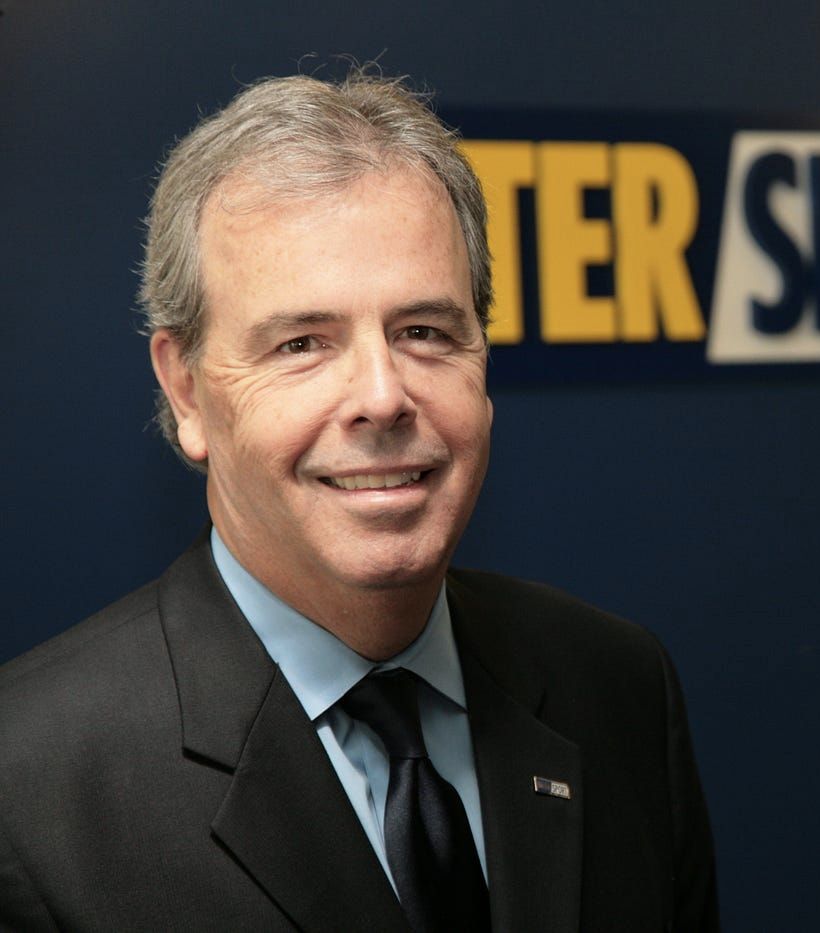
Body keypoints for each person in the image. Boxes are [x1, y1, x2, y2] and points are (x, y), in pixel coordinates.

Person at [0, 71, 718, 932]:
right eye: (303, 343)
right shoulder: (27, 789)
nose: (382, 396)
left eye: (424, 331)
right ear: (186, 390)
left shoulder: (619, 687)